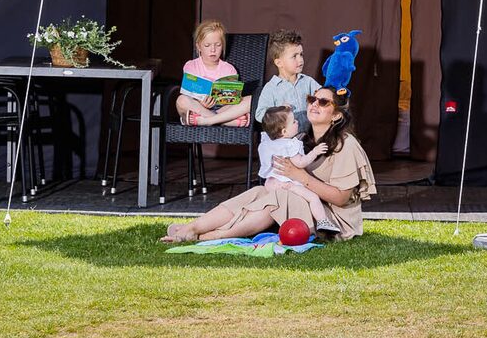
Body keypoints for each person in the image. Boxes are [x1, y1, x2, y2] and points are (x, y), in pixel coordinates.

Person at [161, 87, 375, 243]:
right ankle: (192, 227)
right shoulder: (300, 139)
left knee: (280, 196)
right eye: (312, 99)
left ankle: (213, 235)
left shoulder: (346, 145)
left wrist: (301, 177)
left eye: (323, 102)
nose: (314, 104)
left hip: (332, 220)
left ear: (337, 115)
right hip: (304, 204)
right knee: (259, 191)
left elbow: (341, 198)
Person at [256, 105, 332, 228]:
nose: (297, 122)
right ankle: (323, 222)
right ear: (284, 132)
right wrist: (315, 152)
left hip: (271, 183)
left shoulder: (266, 143)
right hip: (288, 183)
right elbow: (300, 163)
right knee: (313, 198)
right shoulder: (290, 144)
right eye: (293, 122)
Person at [176, 18, 252, 126]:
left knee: (251, 100)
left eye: (218, 45)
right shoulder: (191, 66)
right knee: (181, 100)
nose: (213, 50)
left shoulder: (229, 69)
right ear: (198, 46)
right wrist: (201, 102)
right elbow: (188, 93)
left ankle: (207, 121)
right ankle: (226, 122)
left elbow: (232, 98)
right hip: (199, 107)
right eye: (207, 45)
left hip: (223, 109)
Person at [255, 30, 322, 133]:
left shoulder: (308, 82)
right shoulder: (271, 88)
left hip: (309, 135)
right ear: (279, 62)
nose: (300, 60)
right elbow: (259, 115)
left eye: (301, 54)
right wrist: (278, 111)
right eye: (294, 56)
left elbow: (323, 95)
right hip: (284, 140)